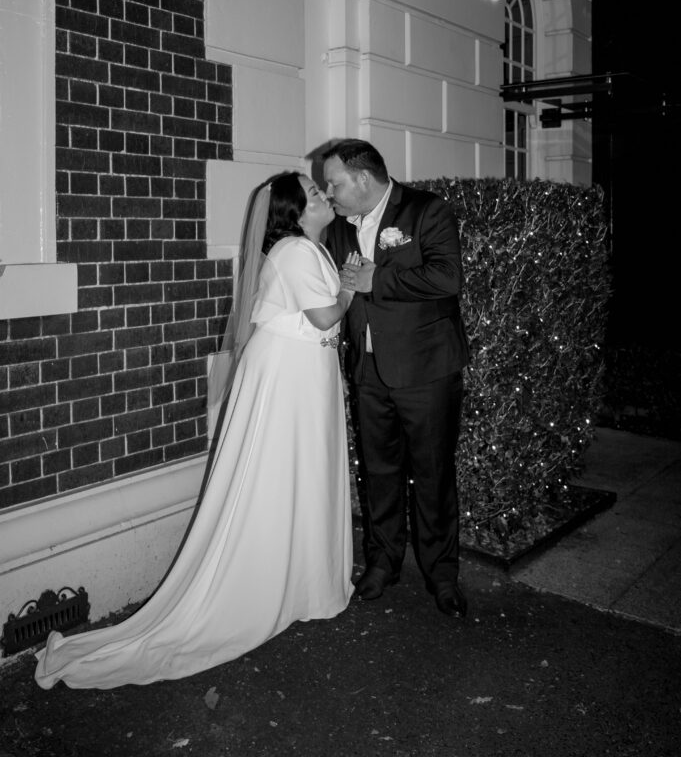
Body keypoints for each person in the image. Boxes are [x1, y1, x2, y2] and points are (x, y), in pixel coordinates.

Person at [35, 172, 360, 690]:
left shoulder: (311, 249)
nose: (324, 194)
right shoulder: (297, 252)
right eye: (314, 193)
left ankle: (301, 581)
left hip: (304, 376)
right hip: (286, 377)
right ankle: (276, 582)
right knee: (278, 477)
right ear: (295, 213)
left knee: (299, 475)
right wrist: (348, 288)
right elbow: (324, 317)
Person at [322, 140, 470, 618]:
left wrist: (376, 280)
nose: (330, 193)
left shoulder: (428, 211)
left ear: (364, 179)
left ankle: (442, 575)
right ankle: (382, 562)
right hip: (368, 372)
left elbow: (448, 279)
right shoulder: (339, 228)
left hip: (426, 370)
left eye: (335, 183)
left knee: (432, 475)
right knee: (379, 473)